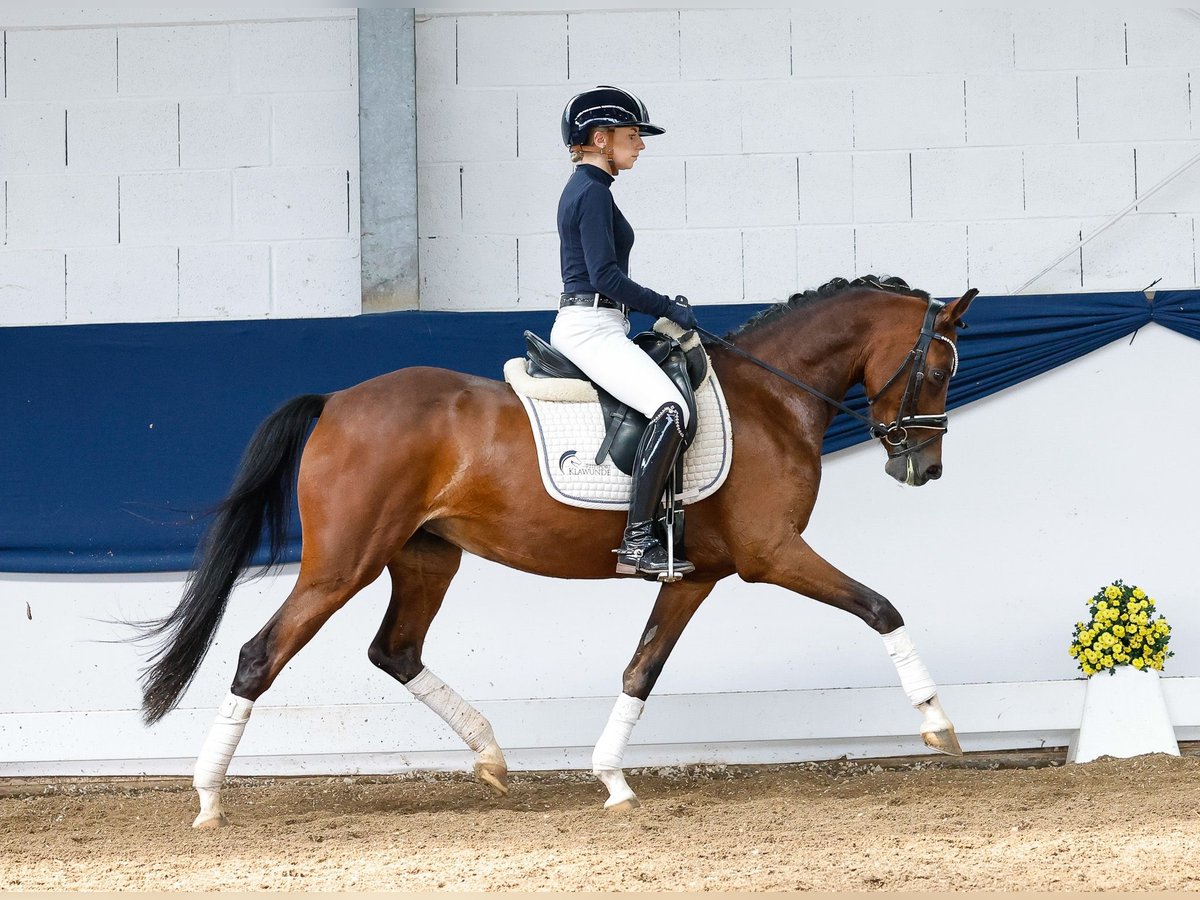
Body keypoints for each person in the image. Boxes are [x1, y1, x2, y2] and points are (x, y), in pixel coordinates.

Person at [553, 85, 700, 579]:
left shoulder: (593, 190)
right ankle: (637, 541)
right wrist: (667, 307)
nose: (640, 145)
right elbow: (606, 279)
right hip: (590, 326)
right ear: (600, 138)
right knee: (672, 408)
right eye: (633, 135)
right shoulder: (591, 193)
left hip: (602, 321)